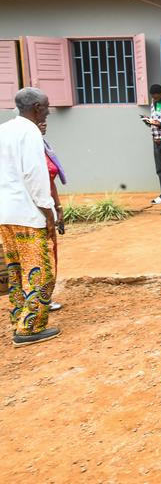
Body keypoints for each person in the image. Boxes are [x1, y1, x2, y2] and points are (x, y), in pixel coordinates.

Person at [0, 88, 59, 347]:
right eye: (46, 106)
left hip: (5, 214)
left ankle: (18, 318)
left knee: (16, 270)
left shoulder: (4, 130)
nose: (48, 112)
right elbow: (34, 176)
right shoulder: (30, 132)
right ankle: (29, 328)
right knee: (42, 272)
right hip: (27, 213)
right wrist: (48, 212)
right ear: (36, 107)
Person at [39, 120, 64, 312]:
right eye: (39, 118)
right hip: (34, 210)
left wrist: (58, 208)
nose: (44, 122)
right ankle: (38, 301)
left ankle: (44, 298)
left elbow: (50, 182)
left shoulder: (43, 145)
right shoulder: (29, 148)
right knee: (40, 256)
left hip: (46, 206)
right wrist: (49, 213)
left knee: (49, 254)